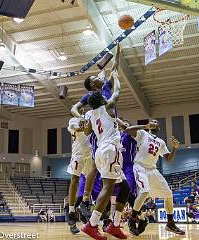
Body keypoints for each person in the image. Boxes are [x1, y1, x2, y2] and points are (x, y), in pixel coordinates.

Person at [72, 45, 121, 222]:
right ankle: (85, 199)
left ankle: (103, 210)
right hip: (99, 131)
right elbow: (74, 108)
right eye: (95, 77)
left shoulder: (106, 87)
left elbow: (115, 69)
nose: (99, 76)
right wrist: (82, 118)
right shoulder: (91, 96)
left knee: (107, 174)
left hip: (109, 124)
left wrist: (118, 54)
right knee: (94, 163)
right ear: (92, 84)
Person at [81, 70, 130, 240]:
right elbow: (117, 92)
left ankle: (114, 225)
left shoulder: (91, 114)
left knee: (124, 187)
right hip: (110, 150)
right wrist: (115, 76)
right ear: (102, 100)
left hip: (102, 152)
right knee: (108, 188)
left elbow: (87, 131)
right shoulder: (107, 107)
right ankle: (92, 225)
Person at [125, 120, 185, 236]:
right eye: (152, 121)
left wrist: (175, 148)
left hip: (153, 169)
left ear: (159, 128)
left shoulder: (161, 142)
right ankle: (132, 219)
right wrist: (144, 126)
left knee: (168, 194)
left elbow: (168, 158)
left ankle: (170, 223)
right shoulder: (142, 133)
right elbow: (128, 130)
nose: (154, 123)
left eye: (156, 122)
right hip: (140, 167)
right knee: (144, 191)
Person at [66, 115, 92, 234]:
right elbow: (79, 128)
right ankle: (71, 211)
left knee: (93, 181)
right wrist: (89, 125)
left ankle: (85, 204)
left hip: (91, 155)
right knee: (74, 180)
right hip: (78, 154)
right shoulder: (73, 121)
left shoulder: (91, 118)